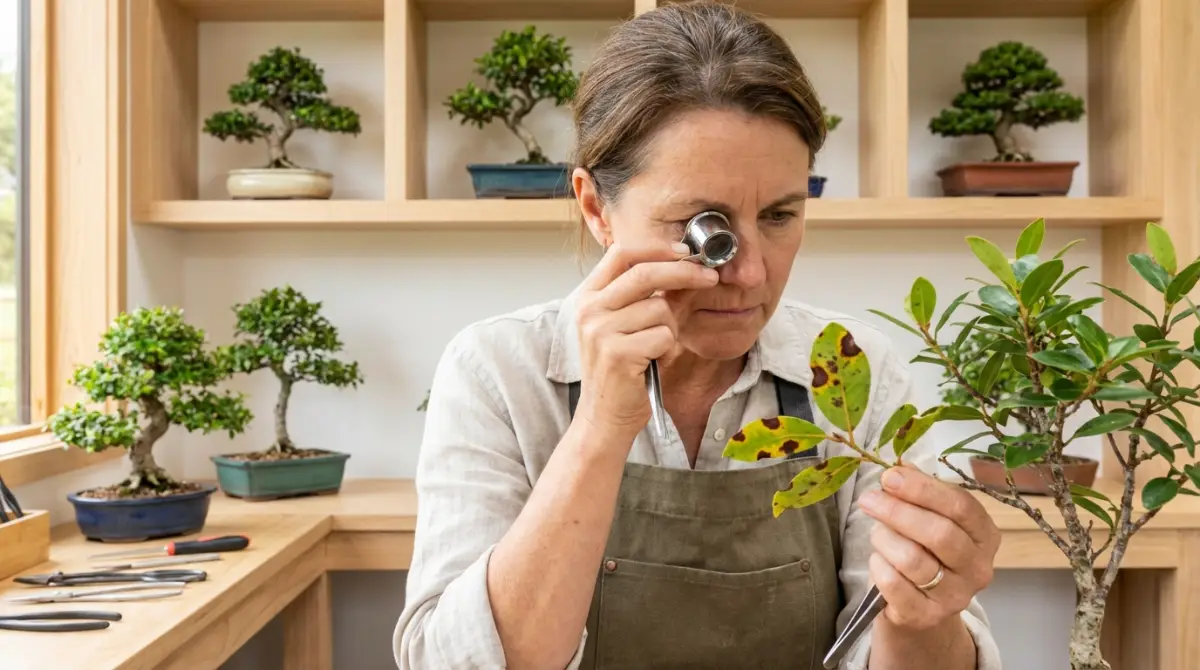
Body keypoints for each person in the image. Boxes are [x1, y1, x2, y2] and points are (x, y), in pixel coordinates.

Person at [394, 2, 1003, 668]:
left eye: (780, 215)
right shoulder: (499, 372)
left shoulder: (852, 373)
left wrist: (921, 619)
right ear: (596, 207)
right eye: (703, 228)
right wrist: (600, 425)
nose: (749, 273)